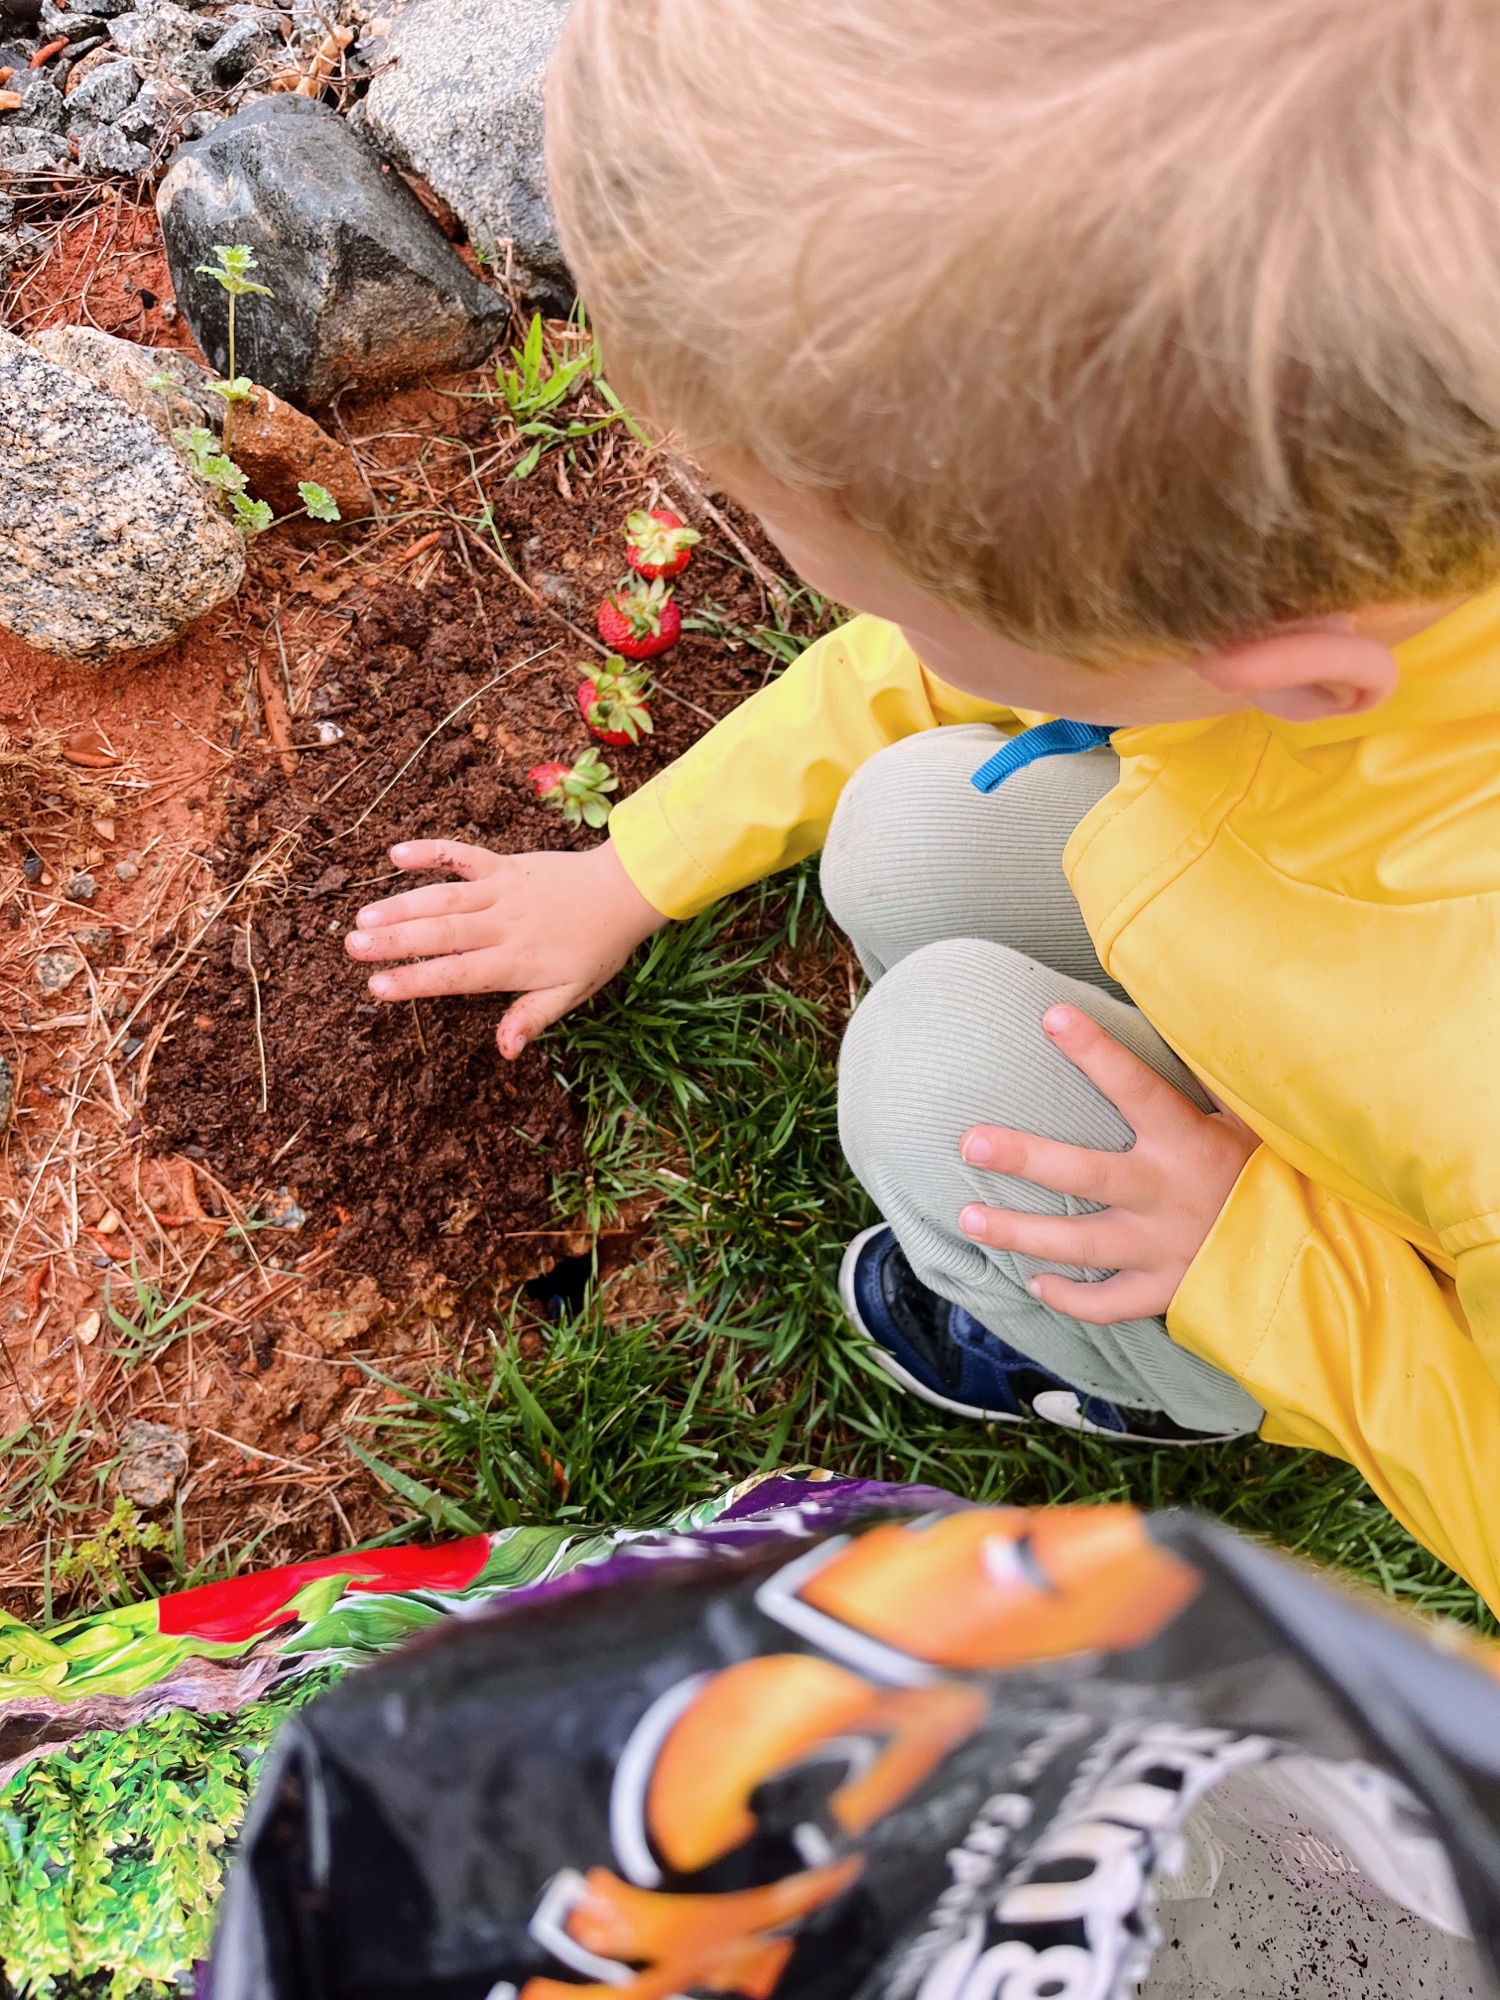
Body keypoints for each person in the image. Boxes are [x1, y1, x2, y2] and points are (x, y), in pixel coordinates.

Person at [343, 0, 1500, 1608]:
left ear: (1288, 670)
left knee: (927, 1075)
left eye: (912, 610)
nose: (885, 636)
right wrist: (631, 868)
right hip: (1284, 883)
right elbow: (958, 664)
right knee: (908, 827)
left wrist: (1258, 1260)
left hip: (1374, 1237)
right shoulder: (1379, 545)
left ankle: (1161, 1375)